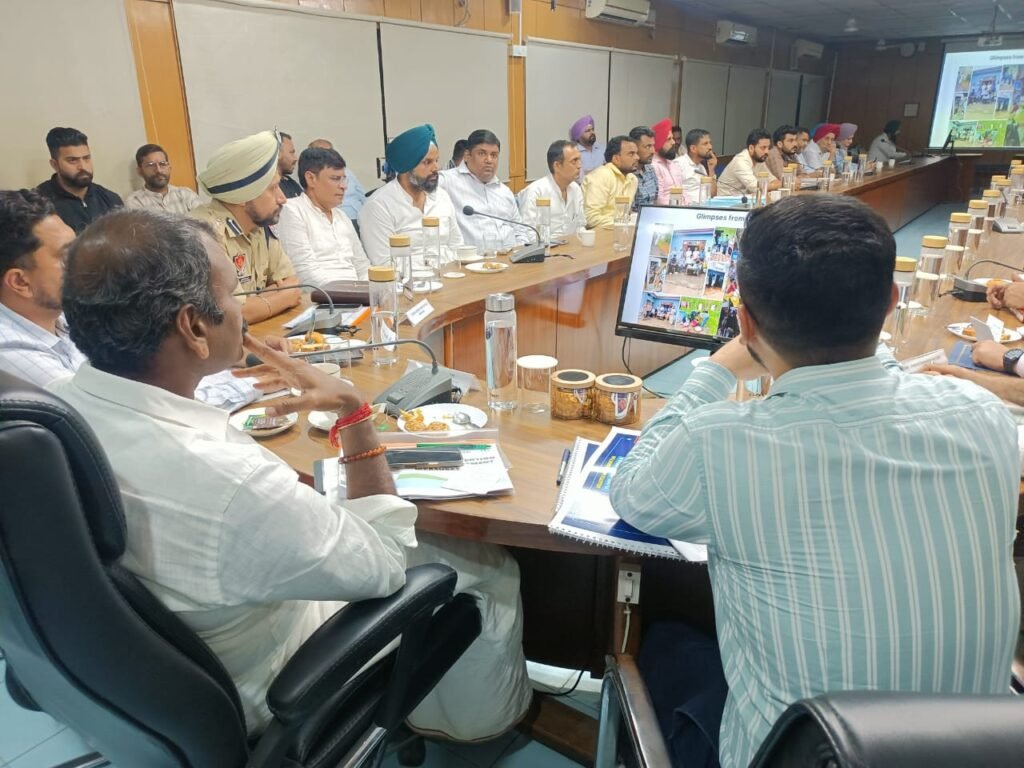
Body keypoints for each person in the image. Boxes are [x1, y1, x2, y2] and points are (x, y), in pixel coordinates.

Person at [49, 208, 532, 742]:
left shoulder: (52, 411)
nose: (243, 311)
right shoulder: (231, 482)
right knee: (490, 567)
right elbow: (387, 561)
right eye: (234, 294)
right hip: (262, 687)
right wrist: (353, 413)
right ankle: (472, 729)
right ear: (193, 327)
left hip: (135, 685)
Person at [610, 194, 1020, 768]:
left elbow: (631, 491)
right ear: (891, 303)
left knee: (665, 640)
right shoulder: (984, 417)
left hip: (795, 755)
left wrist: (717, 368)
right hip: (980, 750)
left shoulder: (720, 442)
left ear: (745, 322)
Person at [0, 189, 256, 409]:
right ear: (20, 282)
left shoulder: (63, 317)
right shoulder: (10, 351)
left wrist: (244, 359)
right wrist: (255, 384)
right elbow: (127, 410)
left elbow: (161, 370)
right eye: (68, 257)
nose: (83, 265)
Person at [191, 130, 301, 324]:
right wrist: (279, 298)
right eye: (273, 189)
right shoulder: (203, 234)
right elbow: (230, 315)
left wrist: (256, 305)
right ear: (243, 196)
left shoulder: (259, 225)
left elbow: (293, 285)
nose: (283, 198)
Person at [360, 124, 463, 267]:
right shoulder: (378, 205)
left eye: (436, 160)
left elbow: (457, 247)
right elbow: (384, 264)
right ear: (407, 166)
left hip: (450, 275)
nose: (436, 168)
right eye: (427, 162)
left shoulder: (442, 197)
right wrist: (431, 266)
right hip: (409, 280)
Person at [276, 147, 371, 285]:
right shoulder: (292, 211)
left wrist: (371, 290)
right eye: (335, 179)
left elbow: (363, 267)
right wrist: (353, 292)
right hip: (319, 295)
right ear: (311, 178)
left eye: (344, 179)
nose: (343, 186)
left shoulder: (342, 217)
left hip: (356, 292)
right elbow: (304, 274)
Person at [439, 129, 528, 250]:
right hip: (473, 259)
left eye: (494, 155)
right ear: (467, 156)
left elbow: (520, 231)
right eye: (481, 154)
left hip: (510, 257)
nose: (489, 160)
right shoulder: (447, 181)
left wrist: (519, 253)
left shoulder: (505, 192)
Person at [35, 127, 122, 234]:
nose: (83, 167)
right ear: (55, 164)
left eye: (86, 158)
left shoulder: (110, 199)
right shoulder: (38, 204)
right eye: (72, 160)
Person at [517, 140, 585, 237]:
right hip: (546, 245)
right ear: (557, 166)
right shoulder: (535, 192)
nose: (579, 166)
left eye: (579, 160)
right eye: (574, 161)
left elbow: (580, 225)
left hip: (572, 245)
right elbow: (528, 234)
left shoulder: (575, 189)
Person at [581, 135, 639, 229]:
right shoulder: (601, 176)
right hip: (598, 234)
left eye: (637, 153)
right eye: (631, 154)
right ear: (616, 159)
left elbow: (624, 214)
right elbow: (590, 218)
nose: (637, 157)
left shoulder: (632, 179)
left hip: (620, 232)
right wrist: (624, 223)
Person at [125, 144, 201, 214]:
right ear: (140, 171)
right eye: (151, 165)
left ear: (169, 168)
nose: (159, 170)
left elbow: (203, 221)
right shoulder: (135, 202)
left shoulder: (186, 194)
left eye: (162, 164)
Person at [307, 138, 368, 223]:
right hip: (331, 219)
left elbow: (363, 195)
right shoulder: (311, 176)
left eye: (329, 152)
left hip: (356, 216)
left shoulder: (347, 172)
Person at [716, 129, 780, 197]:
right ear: (751, 148)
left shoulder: (759, 160)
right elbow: (756, 188)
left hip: (745, 199)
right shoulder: (740, 161)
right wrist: (775, 186)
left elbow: (773, 180)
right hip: (727, 200)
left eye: (768, 148)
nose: (767, 151)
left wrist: (774, 185)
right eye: (763, 148)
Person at [676, 129, 718, 202]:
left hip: (705, 207)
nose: (710, 147)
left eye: (710, 143)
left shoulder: (701, 167)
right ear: (693, 148)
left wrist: (711, 170)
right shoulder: (679, 164)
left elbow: (712, 195)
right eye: (705, 144)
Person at [650, 119, 684, 205]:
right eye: (669, 139)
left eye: (672, 138)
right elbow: (659, 201)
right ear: (658, 142)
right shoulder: (654, 166)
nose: (673, 142)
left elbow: (683, 192)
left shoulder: (672, 164)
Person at [628, 126, 657, 211]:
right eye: (648, 146)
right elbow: (628, 210)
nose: (653, 151)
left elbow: (655, 200)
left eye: (653, 146)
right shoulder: (628, 173)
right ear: (634, 148)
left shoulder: (650, 169)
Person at [571, 115, 606, 179]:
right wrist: (602, 170)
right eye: (588, 131)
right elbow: (578, 177)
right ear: (578, 136)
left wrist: (588, 172)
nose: (592, 132)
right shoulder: (573, 153)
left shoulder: (603, 149)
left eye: (592, 129)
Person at [277, 132, 302, 199]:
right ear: (278, 153)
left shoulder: (291, 183)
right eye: (291, 152)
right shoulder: (265, 186)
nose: (296, 158)